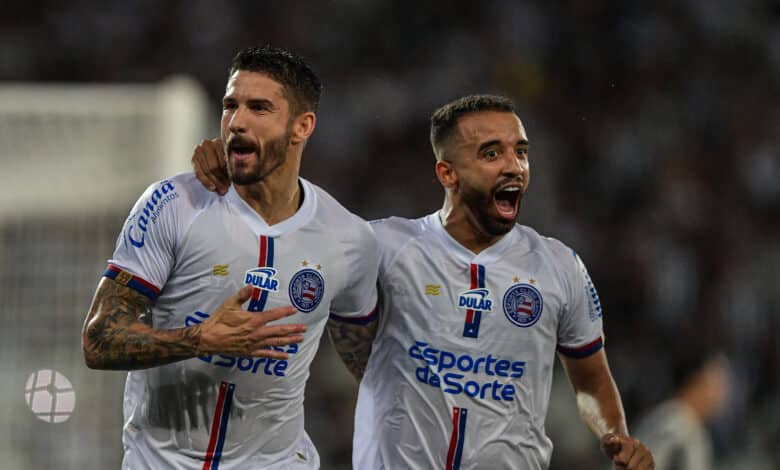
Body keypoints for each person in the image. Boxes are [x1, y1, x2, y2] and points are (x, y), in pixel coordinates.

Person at [192, 95, 654, 469]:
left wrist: (614, 433)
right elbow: (286, 235)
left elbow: (591, 378)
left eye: (521, 151)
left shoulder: (559, 266)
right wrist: (236, 175)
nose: (514, 166)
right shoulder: (384, 246)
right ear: (446, 172)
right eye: (491, 153)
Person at [81, 45, 380, 469]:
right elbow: (98, 340)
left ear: (302, 126)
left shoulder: (349, 238)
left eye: (259, 108)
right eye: (230, 105)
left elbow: (369, 361)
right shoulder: (175, 204)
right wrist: (199, 339)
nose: (237, 122)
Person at [633, 348, 730, 470]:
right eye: (717, 386)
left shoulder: (688, 425)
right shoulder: (674, 425)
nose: (721, 396)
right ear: (696, 381)